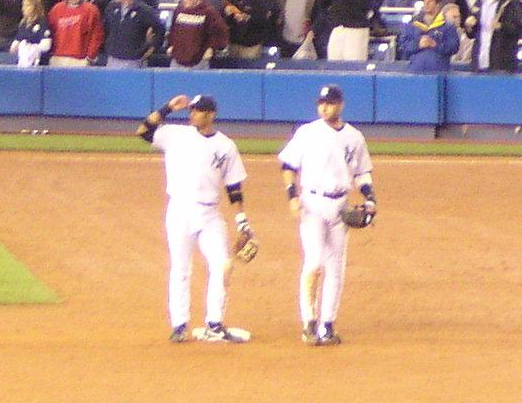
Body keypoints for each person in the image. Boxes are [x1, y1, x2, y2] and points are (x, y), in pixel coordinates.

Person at [138, 93, 254, 344]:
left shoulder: (226, 146)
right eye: (191, 110)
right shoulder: (176, 135)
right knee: (180, 268)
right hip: (180, 210)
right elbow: (143, 131)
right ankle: (179, 324)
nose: (192, 114)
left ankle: (214, 323)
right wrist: (168, 108)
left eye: (198, 110)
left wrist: (242, 221)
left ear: (211, 114)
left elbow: (234, 188)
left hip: (210, 214)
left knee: (222, 264)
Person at [277, 83, 376, 346]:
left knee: (335, 268)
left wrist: (370, 198)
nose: (324, 107)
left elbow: (362, 173)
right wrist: (292, 196)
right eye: (321, 103)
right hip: (312, 203)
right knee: (314, 262)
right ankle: (309, 322)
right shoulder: (307, 132)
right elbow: (288, 165)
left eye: (330, 103)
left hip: (340, 206)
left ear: (340, 105)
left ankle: (327, 325)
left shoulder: (354, 137)